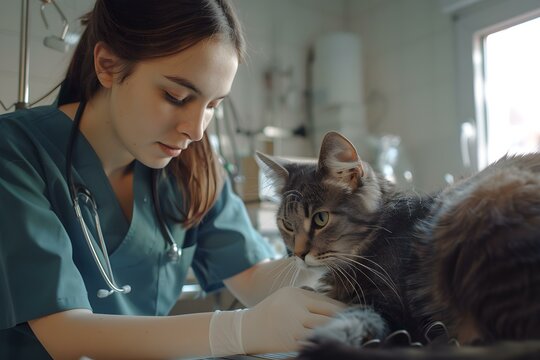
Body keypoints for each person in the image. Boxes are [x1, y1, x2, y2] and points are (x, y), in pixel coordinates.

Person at [0, 0, 345, 359]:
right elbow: (64, 334)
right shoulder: (16, 151)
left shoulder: (192, 168)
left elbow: (253, 279)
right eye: (176, 96)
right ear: (107, 66)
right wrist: (241, 330)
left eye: (213, 106)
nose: (196, 131)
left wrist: (347, 248)